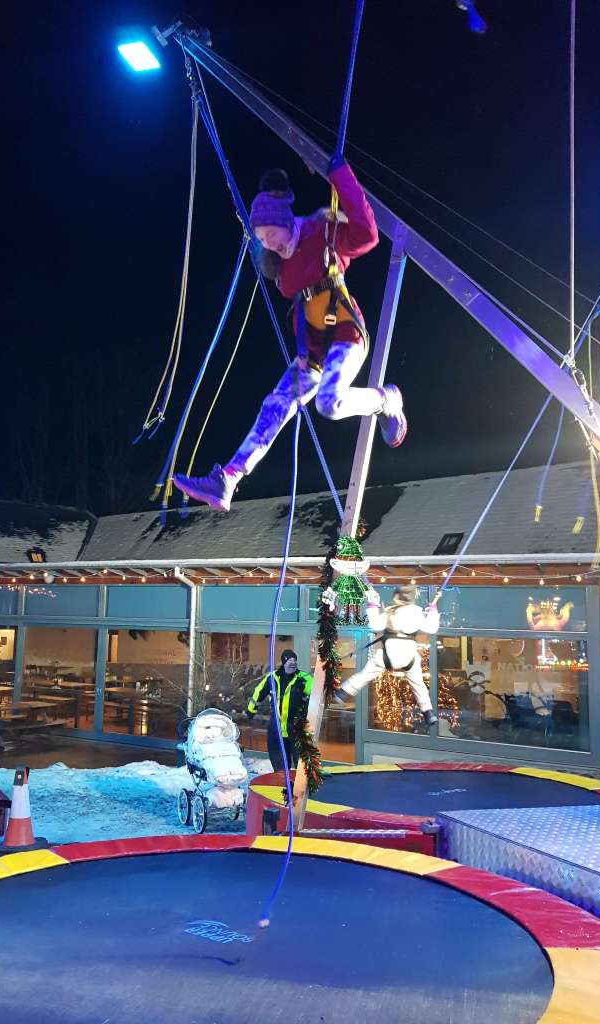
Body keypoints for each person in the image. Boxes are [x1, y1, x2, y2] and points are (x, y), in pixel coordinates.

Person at [173, 158, 407, 512]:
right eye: (263, 240)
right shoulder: (283, 269)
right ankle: (230, 477)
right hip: (311, 348)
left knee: (329, 402)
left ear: (284, 223)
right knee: (275, 405)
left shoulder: (321, 235)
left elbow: (367, 234)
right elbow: (300, 309)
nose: (270, 244)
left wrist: (340, 178)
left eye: (271, 235)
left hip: (345, 332)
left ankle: (387, 401)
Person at [334, 586, 439, 725]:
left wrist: (372, 605)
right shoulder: (417, 613)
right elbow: (431, 628)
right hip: (409, 657)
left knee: (366, 673)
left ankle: (344, 692)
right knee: (418, 684)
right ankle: (428, 712)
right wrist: (433, 611)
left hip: (387, 656)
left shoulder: (390, 612)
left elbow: (374, 625)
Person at [245, 650, 312, 771]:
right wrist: (251, 710)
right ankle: (281, 786)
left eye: (294, 660)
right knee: (279, 765)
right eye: (290, 660)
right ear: (283, 662)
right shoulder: (272, 678)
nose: (293, 663)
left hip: (297, 729)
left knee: (301, 766)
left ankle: (300, 788)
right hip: (276, 729)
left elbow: (317, 694)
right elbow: (258, 693)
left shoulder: (304, 678)